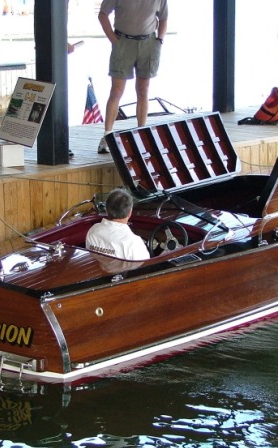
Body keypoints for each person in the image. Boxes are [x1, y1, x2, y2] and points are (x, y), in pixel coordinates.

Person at [96, 0, 169, 154]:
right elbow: (103, 14)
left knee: (143, 90)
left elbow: (163, 18)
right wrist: (114, 40)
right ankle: (107, 136)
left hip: (148, 43)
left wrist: (160, 39)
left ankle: (142, 134)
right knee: (116, 90)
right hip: (123, 41)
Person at [85, 188, 150, 260]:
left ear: (106, 209)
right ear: (130, 213)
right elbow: (145, 267)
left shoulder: (93, 231)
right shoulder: (135, 243)